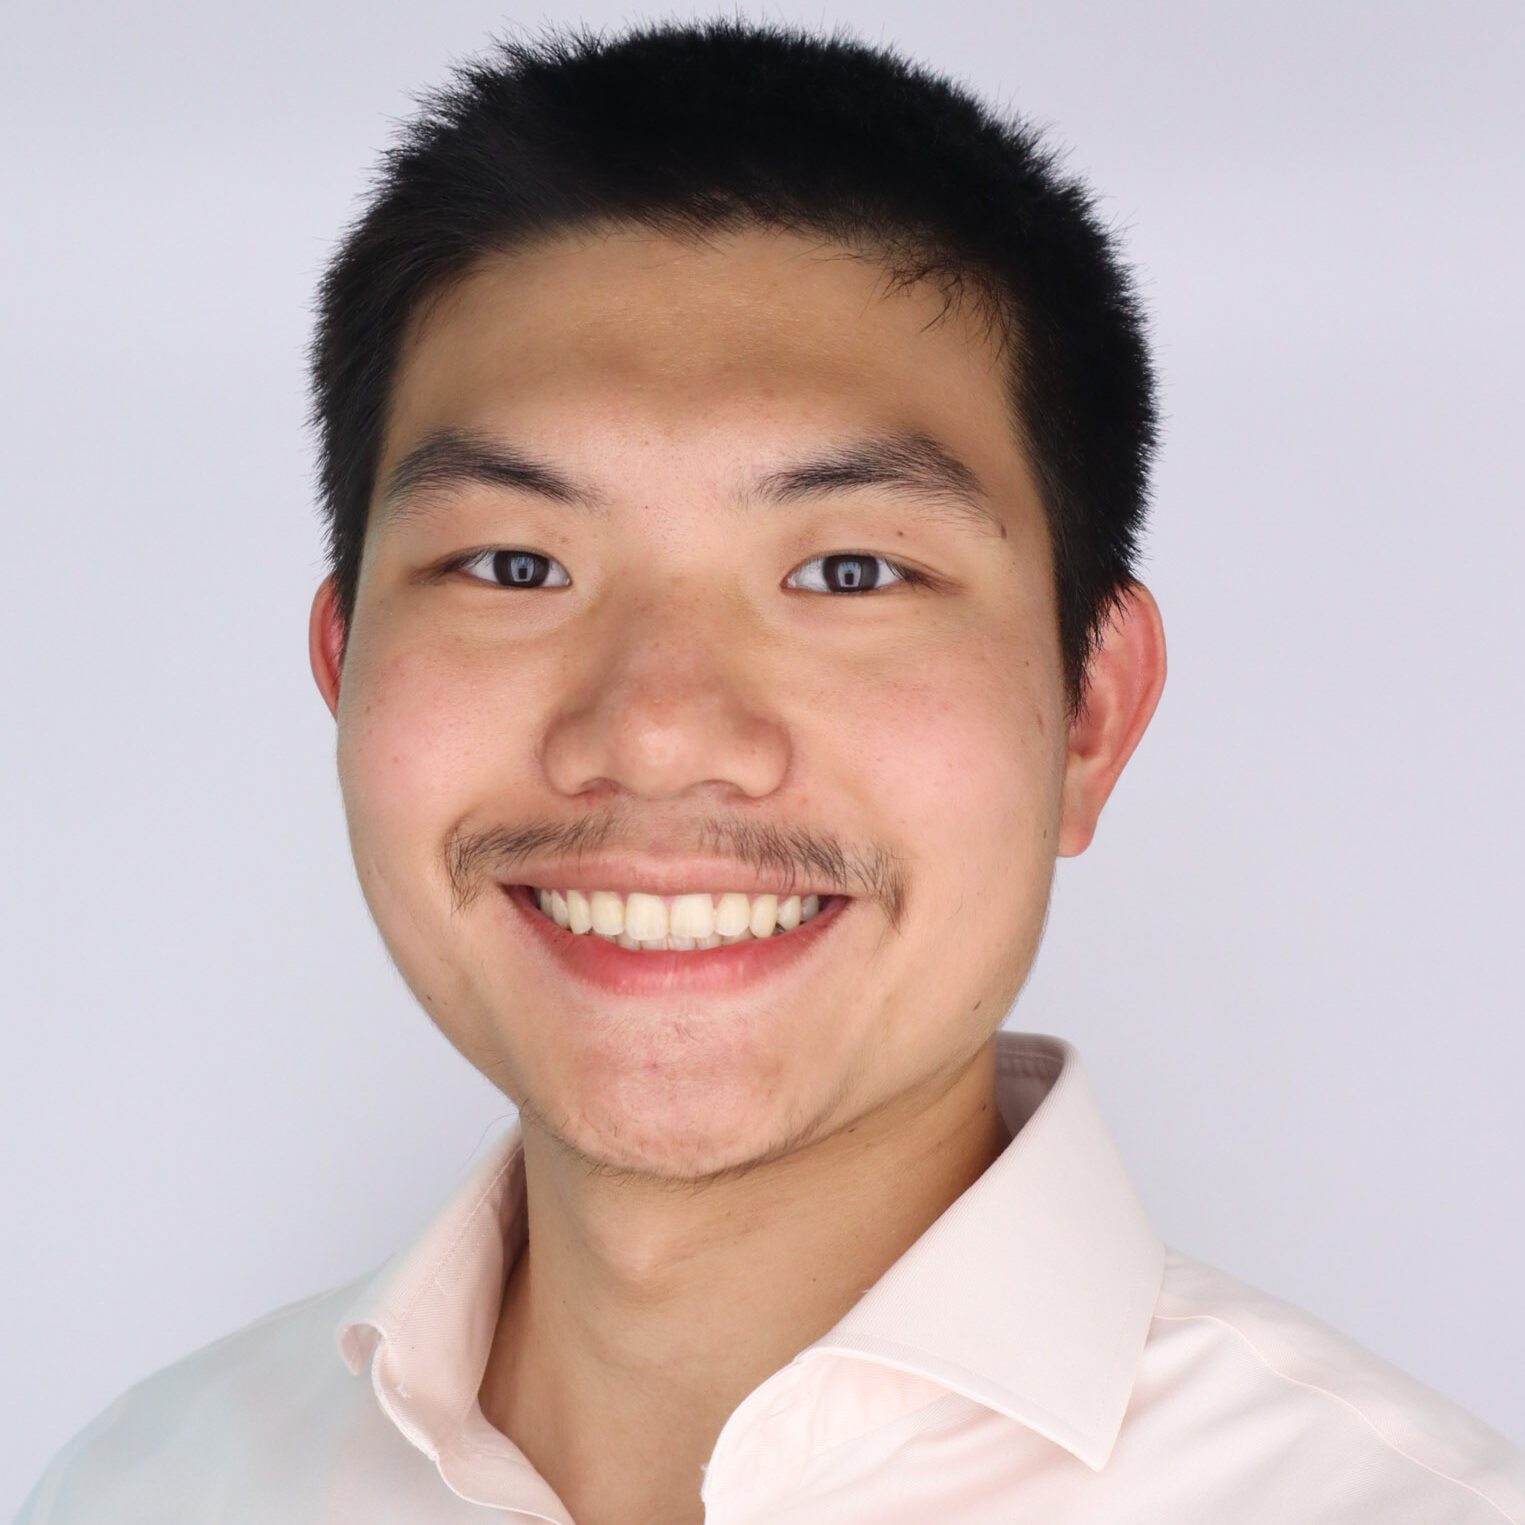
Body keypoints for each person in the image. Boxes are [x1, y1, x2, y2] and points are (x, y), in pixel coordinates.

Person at [16, 20, 1523, 1525]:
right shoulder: (144, 1485)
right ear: (342, 675)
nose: (658, 730)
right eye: (515, 561)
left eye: (849, 568)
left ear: (1088, 714)